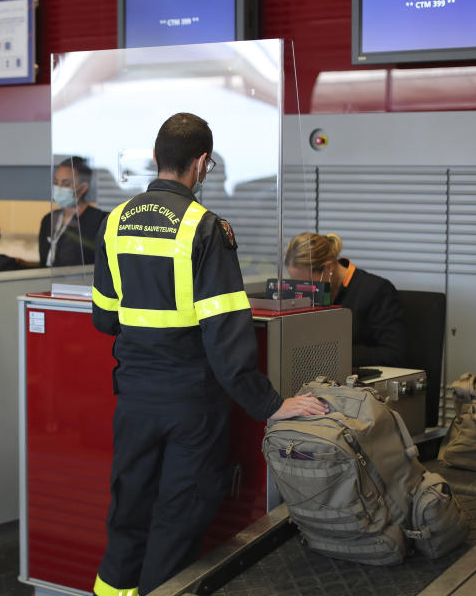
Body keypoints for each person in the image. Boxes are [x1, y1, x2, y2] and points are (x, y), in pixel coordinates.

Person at [90, 113, 327, 596]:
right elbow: (226, 336)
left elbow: (104, 318)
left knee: (129, 507)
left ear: (157, 158)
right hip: (190, 405)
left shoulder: (115, 222)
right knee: (178, 519)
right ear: (201, 163)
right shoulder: (205, 227)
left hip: (134, 398)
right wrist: (271, 404)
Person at [285, 231, 408, 367]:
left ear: (329, 268)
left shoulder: (376, 291)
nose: (302, 290)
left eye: (308, 283)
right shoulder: (307, 295)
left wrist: (333, 354)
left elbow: (394, 354)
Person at [38, 156, 106, 267]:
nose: (59, 188)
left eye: (66, 184)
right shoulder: (48, 220)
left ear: (83, 188)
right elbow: (42, 263)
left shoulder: (99, 221)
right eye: (56, 183)